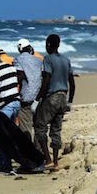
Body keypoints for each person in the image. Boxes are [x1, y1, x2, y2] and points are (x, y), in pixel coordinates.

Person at [33, 34, 76, 170]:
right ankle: (56, 162)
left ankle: (48, 159)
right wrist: (70, 101)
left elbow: (46, 80)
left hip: (52, 97)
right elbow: (72, 83)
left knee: (40, 126)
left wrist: (37, 99)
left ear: (49, 45)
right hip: (63, 96)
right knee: (56, 130)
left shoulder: (48, 59)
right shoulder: (66, 60)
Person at [0, 48, 21, 171]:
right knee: (9, 134)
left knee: (2, 135)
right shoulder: (11, 67)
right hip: (17, 103)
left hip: (6, 106)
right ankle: (4, 159)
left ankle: (5, 163)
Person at [14, 38, 43, 138]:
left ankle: (27, 151)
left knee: (25, 128)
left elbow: (20, 77)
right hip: (39, 97)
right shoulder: (38, 60)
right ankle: (38, 150)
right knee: (38, 127)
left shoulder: (18, 59)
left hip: (26, 96)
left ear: (19, 48)